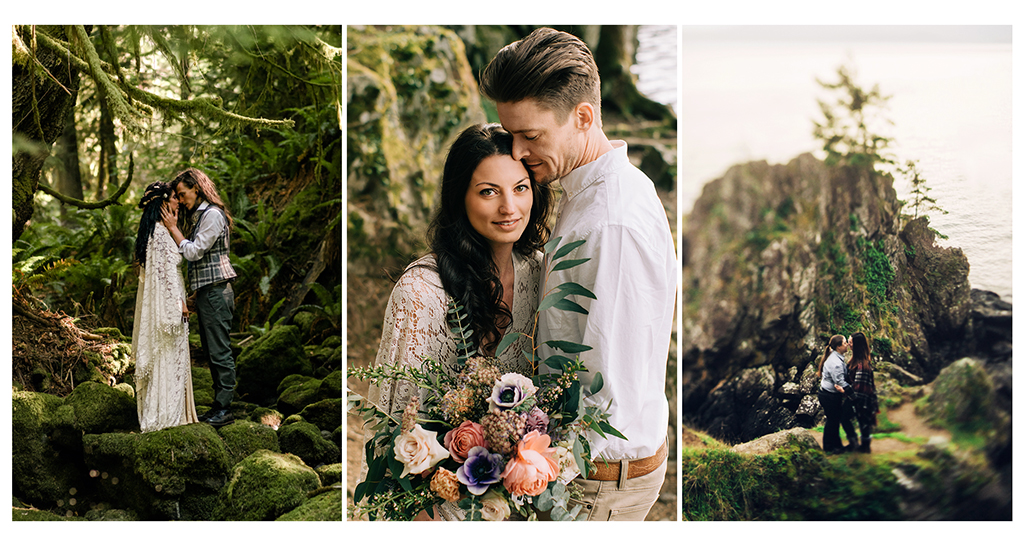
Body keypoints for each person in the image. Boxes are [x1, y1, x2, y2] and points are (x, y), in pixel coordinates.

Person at [479, 27, 677, 521]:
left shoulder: (610, 223)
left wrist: (525, 466)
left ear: (583, 117)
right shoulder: (596, 192)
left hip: (597, 484)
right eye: (511, 135)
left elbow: (603, 387)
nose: (518, 153)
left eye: (532, 136)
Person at [364, 123, 553, 520]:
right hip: (438, 511)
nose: (509, 208)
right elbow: (392, 434)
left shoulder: (542, 274)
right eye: (488, 191)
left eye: (520, 188)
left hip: (524, 503)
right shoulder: (420, 294)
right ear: (460, 198)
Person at [160, 168, 238, 427]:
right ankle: (218, 406)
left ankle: (225, 409)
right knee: (211, 351)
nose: (181, 200)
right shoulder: (201, 216)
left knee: (219, 352)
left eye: (183, 194)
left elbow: (194, 252)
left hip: (217, 292)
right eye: (178, 196)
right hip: (208, 292)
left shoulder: (213, 215)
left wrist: (173, 229)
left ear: (196, 188)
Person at [133, 181, 200, 433]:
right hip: (171, 305)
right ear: (163, 204)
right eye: (174, 198)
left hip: (172, 301)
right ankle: (165, 415)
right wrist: (178, 304)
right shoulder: (160, 235)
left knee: (173, 356)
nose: (178, 202)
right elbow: (164, 276)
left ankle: (176, 412)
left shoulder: (159, 231)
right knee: (169, 355)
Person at [818, 334, 859, 453]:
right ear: (838, 347)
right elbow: (839, 382)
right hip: (829, 396)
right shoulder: (835, 362)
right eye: (845, 342)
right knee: (832, 421)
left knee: (834, 420)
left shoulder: (836, 356)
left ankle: (836, 446)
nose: (847, 344)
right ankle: (829, 447)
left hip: (828, 394)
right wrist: (853, 394)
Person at [846, 332, 878, 453]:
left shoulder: (861, 365)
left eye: (851, 342)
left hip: (862, 399)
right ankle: (861, 445)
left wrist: (845, 391)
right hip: (861, 398)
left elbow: (859, 388)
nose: (849, 344)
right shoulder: (856, 360)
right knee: (863, 422)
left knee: (863, 422)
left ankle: (863, 447)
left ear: (857, 345)